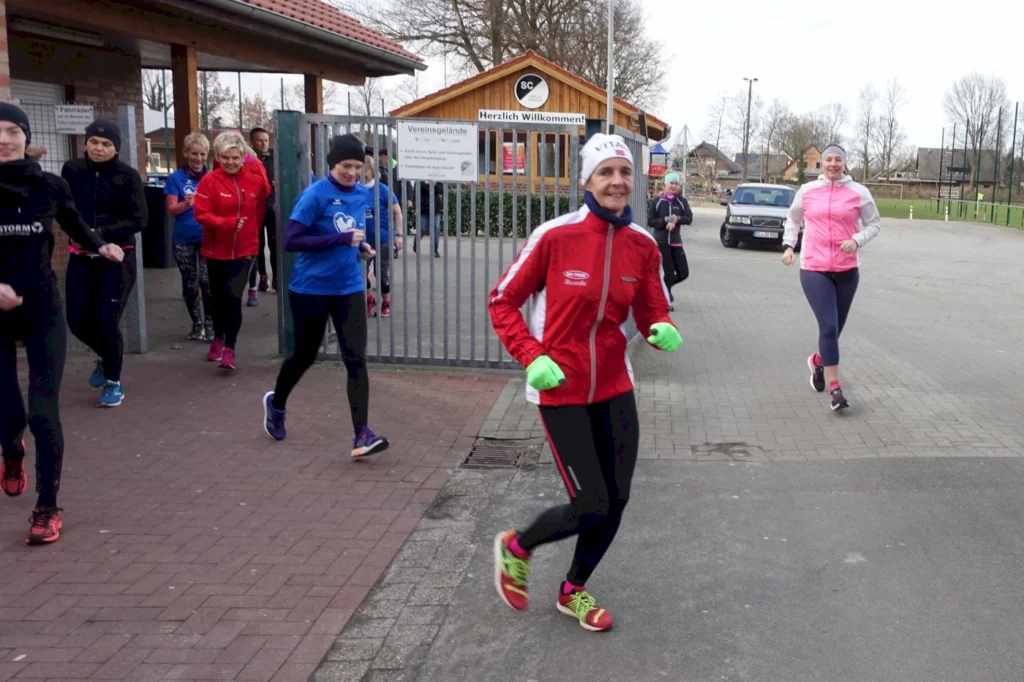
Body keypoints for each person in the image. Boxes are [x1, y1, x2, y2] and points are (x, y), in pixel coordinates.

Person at [488, 133, 683, 632]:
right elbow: (502, 301)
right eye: (605, 172)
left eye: (624, 172)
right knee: (590, 502)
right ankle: (517, 547)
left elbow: (653, 305)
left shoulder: (642, 245)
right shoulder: (555, 236)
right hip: (560, 387)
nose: (617, 181)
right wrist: (531, 356)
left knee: (617, 498)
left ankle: (573, 588)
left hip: (615, 384)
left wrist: (662, 327)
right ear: (586, 181)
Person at [0, 103, 124, 543]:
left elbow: (72, 221)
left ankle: (46, 508)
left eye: (12, 131)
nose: (4, 139)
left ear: (24, 136)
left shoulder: (49, 186)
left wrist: (100, 245)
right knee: (7, 413)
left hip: (40, 308)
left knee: (42, 411)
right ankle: (10, 450)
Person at [262, 134, 389, 459]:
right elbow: (292, 240)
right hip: (310, 289)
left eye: (358, 167)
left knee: (356, 359)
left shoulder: (361, 194)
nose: (353, 173)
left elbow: (350, 234)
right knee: (304, 355)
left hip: (348, 288)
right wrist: (340, 239)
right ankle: (276, 403)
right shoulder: (315, 195)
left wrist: (361, 247)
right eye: (347, 166)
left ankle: (362, 434)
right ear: (333, 164)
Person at [781, 144, 881, 411]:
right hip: (814, 267)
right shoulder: (808, 190)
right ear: (821, 164)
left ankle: (817, 361)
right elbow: (794, 219)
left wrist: (856, 240)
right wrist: (789, 246)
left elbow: (874, 224)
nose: (833, 164)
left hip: (847, 271)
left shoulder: (859, 193)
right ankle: (835, 389)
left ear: (845, 164)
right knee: (828, 328)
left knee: (834, 332)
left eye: (838, 160)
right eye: (828, 159)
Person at [60, 119, 148, 408]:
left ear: (116, 149)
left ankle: (113, 382)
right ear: (85, 143)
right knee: (76, 320)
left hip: (118, 257)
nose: (99, 148)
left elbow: (139, 219)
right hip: (81, 255)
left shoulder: (128, 176)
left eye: (106, 144)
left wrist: (102, 235)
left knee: (105, 318)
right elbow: (67, 212)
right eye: (94, 142)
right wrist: (87, 237)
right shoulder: (71, 170)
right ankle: (106, 354)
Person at [193, 131, 271, 371]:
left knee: (233, 296)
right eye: (225, 157)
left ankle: (230, 348)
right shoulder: (209, 181)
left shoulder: (254, 179)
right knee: (216, 299)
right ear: (217, 157)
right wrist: (226, 223)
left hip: (246, 249)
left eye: (236, 157)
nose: (231, 162)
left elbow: (262, 201)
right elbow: (200, 213)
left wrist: (250, 230)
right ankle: (218, 337)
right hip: (216, 249)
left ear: (243, 157)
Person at [165, 132, 213, 341]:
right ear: (186, 153)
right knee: (191, 282)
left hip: (208, 236)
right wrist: (186, 203)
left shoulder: (212, 177)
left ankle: (211, 324)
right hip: (183, 239)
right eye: (194, 154)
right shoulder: (176, 178)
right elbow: (172, 209)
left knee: (207, 281)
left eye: (202, 154)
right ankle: (197, 324)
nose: (198, 158)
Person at [362, 153, 404, 318]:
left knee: (381, 274)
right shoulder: (356, 190)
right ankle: (369, 300)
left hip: (383, 239)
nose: (361, 175)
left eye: (365, 171)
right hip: (364, 240)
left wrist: (398, 235)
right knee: (361, 273)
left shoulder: (383, 190)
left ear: (372, 171)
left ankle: (386, 303)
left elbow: (397, 212)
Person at [647, 172, 692, 309]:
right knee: (668, 272)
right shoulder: (656, 201)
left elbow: (689, 218)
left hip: (675, 241)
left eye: (676, 183)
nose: (673, 186)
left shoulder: (681, 201)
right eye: (671, 183)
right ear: (665, 184)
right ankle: (665, 301)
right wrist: (666, 220)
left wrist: (676, 219)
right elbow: (651, 221)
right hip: (661, 242)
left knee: (683, 273)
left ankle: (664, 290)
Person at [247, 127, 278, 306]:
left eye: (266, 140)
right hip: (255, 209)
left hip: (273, 208)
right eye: (260, 140)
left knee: (274, 245)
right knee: (257, 246)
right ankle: (262, 276)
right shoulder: (248, 160)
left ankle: (276, 279)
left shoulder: (274, 160)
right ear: (252, 142)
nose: (264, 143)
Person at [412, 180, 443, 258]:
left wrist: (435, 184)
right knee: (423, 229)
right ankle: (416, 244)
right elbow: (417, 190)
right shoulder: (420, 178)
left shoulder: (438, 178)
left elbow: (442, 191)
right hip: (423, 209)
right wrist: (426, 184)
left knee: (436, 228)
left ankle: (435, 250)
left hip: (435, 209)